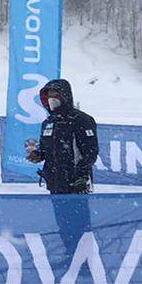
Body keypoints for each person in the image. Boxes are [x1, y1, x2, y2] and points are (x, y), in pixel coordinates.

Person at [25, 78, 99, 245]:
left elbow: (91, 152)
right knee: (63, 224)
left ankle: (85, 261)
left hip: (76, 184)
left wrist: (80, 175)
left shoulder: (82, 120)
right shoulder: (47, 123)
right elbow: (46, 149)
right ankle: (70, 255)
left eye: (55, 95)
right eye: (48, 96)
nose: (51, 100)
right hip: (55, 183)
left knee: (80, 225)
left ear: (64, 96)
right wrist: (38, 154)